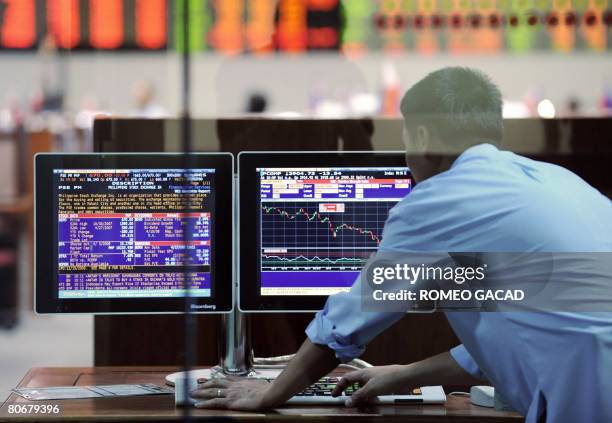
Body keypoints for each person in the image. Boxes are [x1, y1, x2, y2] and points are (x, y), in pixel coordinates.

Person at [192, 67, 612, 423]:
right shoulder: (558, 181)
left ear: (424, 136)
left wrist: (268, 395)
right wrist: (406, 374)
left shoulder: (439, 200)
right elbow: (529, 331)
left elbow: (348, 323)